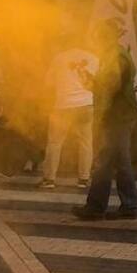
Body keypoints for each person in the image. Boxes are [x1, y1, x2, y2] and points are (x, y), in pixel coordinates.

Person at [73, 21, 137, 220]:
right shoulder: (113, 55)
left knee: (105, 162)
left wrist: (98, 93)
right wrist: (93, 82)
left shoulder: (115, 56)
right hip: (119, 115)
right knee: (118, 161)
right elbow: (107, 85)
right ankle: (127, 205)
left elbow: (111, 87)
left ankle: (97, 207)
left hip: (115, 116)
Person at [40, 41, 98, 189]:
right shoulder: (93, 58)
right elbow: (99, 82)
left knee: (55, 142)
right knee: (85, 142)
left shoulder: (59, 58)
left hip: (63, 105)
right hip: (85, 104)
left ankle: (49, 179)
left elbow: (48, 83)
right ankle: (83, 179)